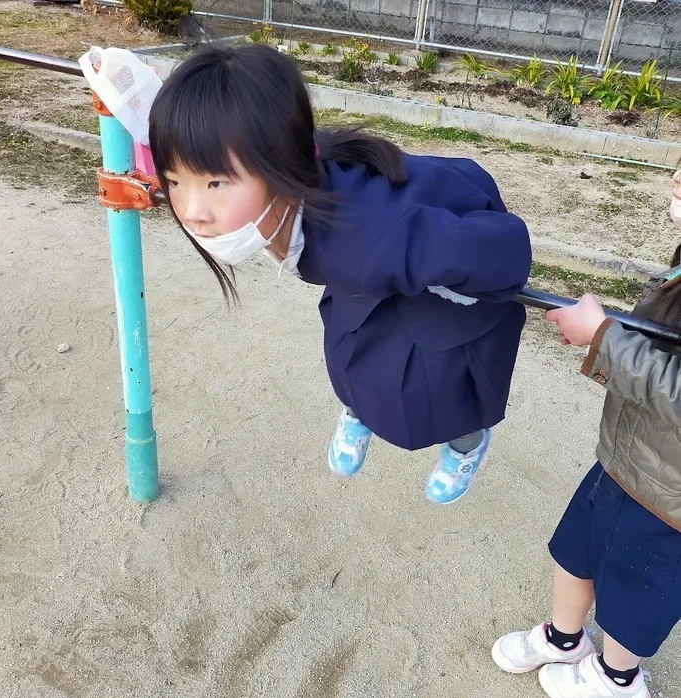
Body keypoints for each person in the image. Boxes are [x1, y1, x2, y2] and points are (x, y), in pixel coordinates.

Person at [147, 45, 531, 504]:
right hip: (371, 267)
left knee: (447, 381)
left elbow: (504, 249)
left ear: (282, 165)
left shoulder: (376, 239)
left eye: (216, 183)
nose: (191, 211)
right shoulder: (290, 177)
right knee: (351, 348)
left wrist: (471, 286)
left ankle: (466, 442)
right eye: (173, 180)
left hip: (447, 268)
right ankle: (359, 409)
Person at [492, 227, 681, 698]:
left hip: (670, 499)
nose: (676, 185)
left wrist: (604, 339)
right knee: (575, 550)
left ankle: (617, 679)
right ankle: (564, 639)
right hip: (625, 456)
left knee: (637, 589)